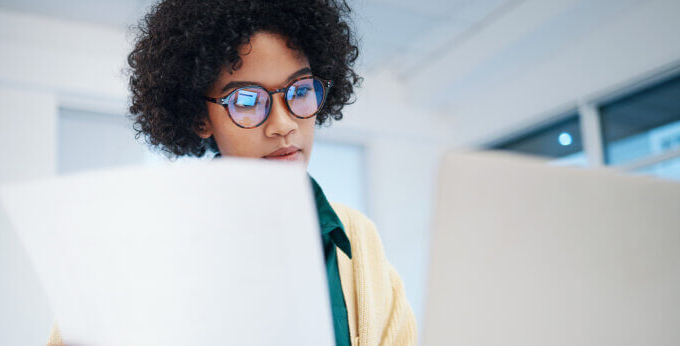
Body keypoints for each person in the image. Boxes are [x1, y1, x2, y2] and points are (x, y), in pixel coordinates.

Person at [48, 1, 416, 345]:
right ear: (199, 118)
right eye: (246, 101)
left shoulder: (357, 240)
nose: (283, 124)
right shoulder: (136, 246)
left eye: (300, 90)